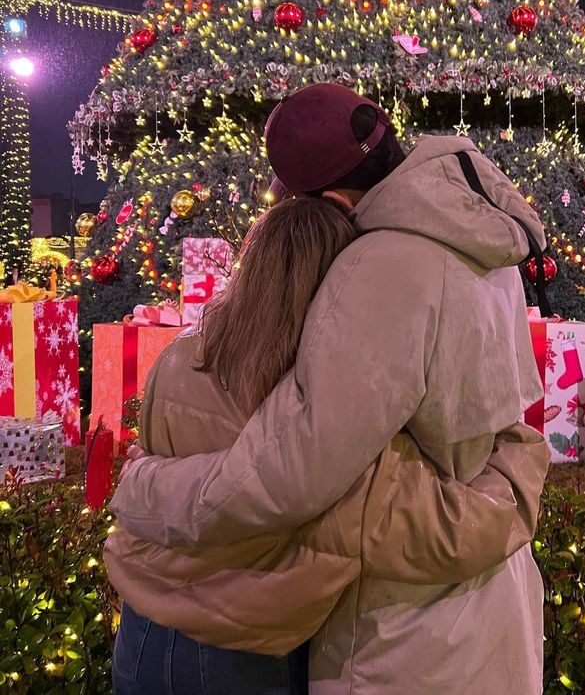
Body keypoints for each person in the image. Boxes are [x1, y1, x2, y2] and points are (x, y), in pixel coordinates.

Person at [112, 83, 550, 695]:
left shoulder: (381, 266)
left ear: (323, 201)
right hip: (478, 601)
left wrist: (143, 490)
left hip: (402, 630)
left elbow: (292, 477)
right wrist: (515, 469)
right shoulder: (481, 241)